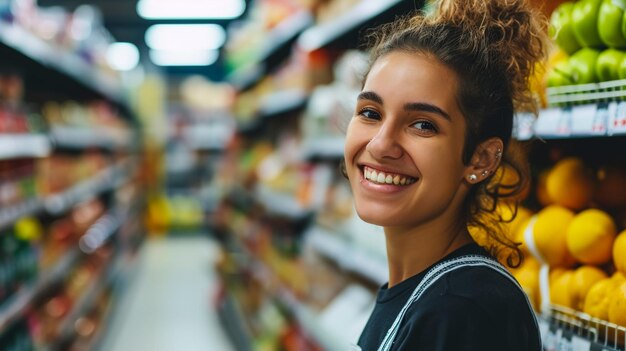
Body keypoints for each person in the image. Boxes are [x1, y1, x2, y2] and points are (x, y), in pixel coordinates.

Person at [342, 0, 547, 350]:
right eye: (370, 112)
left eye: (423, 124)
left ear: (480, 159)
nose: (380, 145)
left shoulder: (463, 312)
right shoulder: (427, 293)